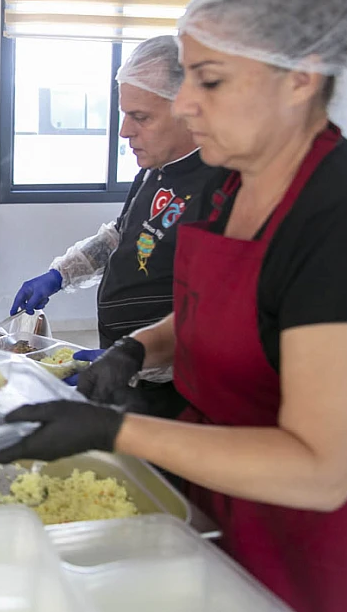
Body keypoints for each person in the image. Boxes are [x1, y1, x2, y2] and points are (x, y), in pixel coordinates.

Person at [0, 0, 347, 611]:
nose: (188, 103)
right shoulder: (229, 187)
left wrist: (118, 430)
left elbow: (321, 466)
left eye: (210, 80)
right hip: (228, 499)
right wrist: (135, 349)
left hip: (332, 547)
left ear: (300, 78)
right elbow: (222, 308)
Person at [11, 35, 214, 418]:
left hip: (171, 387)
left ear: (190, 109)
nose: (124, 132)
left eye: (141, 117)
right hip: (127, 364)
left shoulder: (218, 185)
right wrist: (59, 275)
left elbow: (218, 320)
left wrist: (139, 359)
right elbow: (120, 236)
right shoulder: (154, 170)